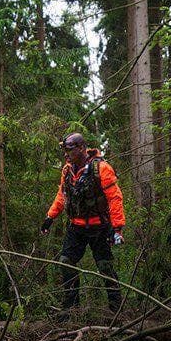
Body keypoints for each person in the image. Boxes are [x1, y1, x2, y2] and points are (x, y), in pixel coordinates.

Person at [40, 132, 125, 319]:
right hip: (76, 227)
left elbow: (115, 198)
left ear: (81, 148)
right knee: (65, 262)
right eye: (64, 150)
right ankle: (71, 308)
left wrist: (116, 227)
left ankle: (115, 310)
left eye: (69, 150)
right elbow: (62, 196)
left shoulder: (101, 168)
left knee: (105, 267)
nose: (66, 154)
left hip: (99, 227)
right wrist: (50, 217)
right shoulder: (67, 170)